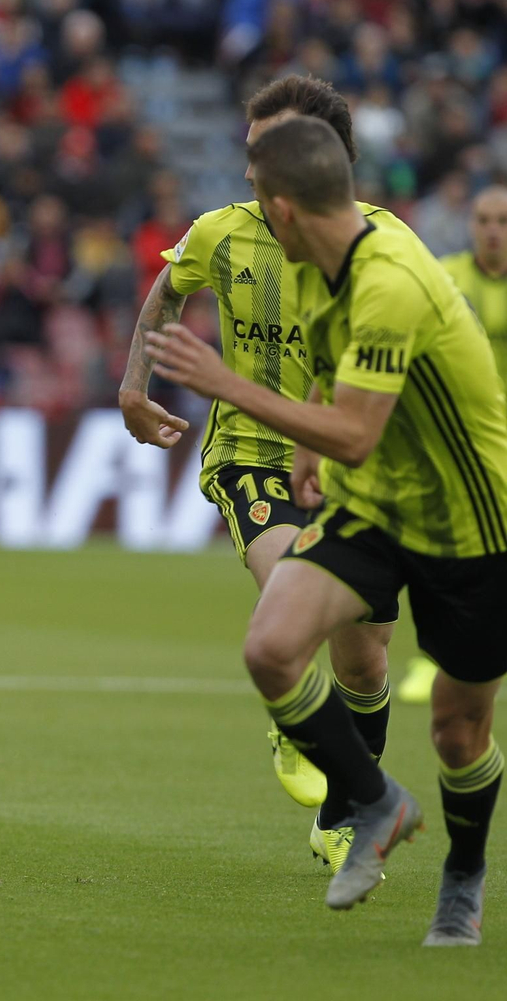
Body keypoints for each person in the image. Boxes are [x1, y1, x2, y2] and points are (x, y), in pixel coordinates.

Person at [146, 115, 507, 944]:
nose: (250, 212)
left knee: (457, 728)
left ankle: (464, 875)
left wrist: (226, 384)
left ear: (284, 208)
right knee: (273, 646)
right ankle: (376, 800)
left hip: (471, 516)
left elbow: (356, 432)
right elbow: (326, 376)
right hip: (374, 501)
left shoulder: (390, 281)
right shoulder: (315, 266)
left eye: (257, 196)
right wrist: (308, 441)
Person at [120, 76, 402, 873]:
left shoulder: (381, 242)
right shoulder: (219, 233)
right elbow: (165, 295)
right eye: (248, 152)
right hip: (253, 452)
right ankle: (292, 707)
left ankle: (347, 809)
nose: (248, 170)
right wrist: (134, 386)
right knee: (294, 592)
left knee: (364, 657)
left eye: (265, 152)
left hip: (355, 463)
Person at [396, 185, 507, 703]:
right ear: (470, 224)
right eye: (484, 220)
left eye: (503, 221)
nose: (493, 231)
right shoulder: (445, 277)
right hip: (462, 443)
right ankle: (431, 659)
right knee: (448, 552)